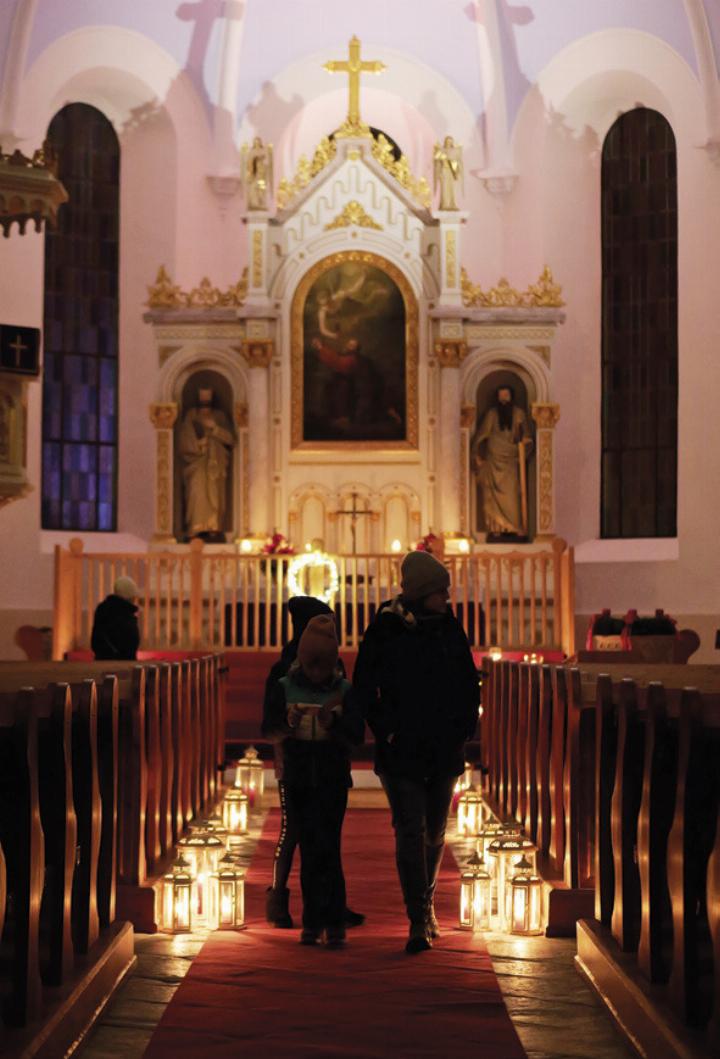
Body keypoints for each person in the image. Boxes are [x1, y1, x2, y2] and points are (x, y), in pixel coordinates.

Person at [351, 550, 479, 953]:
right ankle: (417, 917)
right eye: (440, 591)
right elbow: (363, 683)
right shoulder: (387, 628)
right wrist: (383, 730)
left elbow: (467, 681)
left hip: (443, 746)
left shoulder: (449, 628)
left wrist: (464, 729)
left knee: (435, 832)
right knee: (409, 829)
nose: (447, 598)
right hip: (401, 748)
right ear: (423, 592)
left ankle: (425, 906)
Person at [261, 595, 364, 930]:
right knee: (294, 832)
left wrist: (335, 724)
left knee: (326, 840)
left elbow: (351, 721)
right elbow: (270, 723)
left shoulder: (336, 669)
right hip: (295, 762)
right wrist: (287, 729)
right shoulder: (284, 671)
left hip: (330, 763)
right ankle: (279, 899)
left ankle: (330, 906)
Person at [471, 385, 532, 538]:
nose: (504, 399)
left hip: (511, 460)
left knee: (512, 495)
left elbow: (527, 436)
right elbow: (481, 435)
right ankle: (496, 528)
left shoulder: (519, 414)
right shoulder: (492, 414)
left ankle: (515, 527)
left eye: (506, 395)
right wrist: (476, 453)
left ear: (511, 396)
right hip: (493, 459)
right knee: (491, 494)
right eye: (501, 396)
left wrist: (525, 442)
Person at [177, 387, 235, 542]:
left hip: (216, 464)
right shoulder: (191, 415)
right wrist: (199, 444)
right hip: (197, 463)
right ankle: (196, 527)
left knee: (215, 495)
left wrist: (214, 429)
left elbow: (230, 439)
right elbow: (184, 442)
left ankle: (213, 527)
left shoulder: (220, 416)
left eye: (207, 403)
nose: (205, 406)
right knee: (197, 492)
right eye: (202, 403)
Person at [91, 576, 141, 660]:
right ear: (129, 595)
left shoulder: (105, 609)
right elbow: (127, 642)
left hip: (105, 660)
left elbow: (96, 640)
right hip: (120, 662)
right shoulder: (123, 612)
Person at [433, 135, 463, 210]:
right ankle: (445, 204)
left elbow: (458, 162)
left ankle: (452, 204)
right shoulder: (441, 151)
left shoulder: (453, 151)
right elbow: (437, 161)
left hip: (451, 172)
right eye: (447, 141)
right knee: (445, 188)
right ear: (445, 142)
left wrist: (456, 169)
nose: (449, 143)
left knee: (451, 189)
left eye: (450, 142)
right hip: (444, 171)